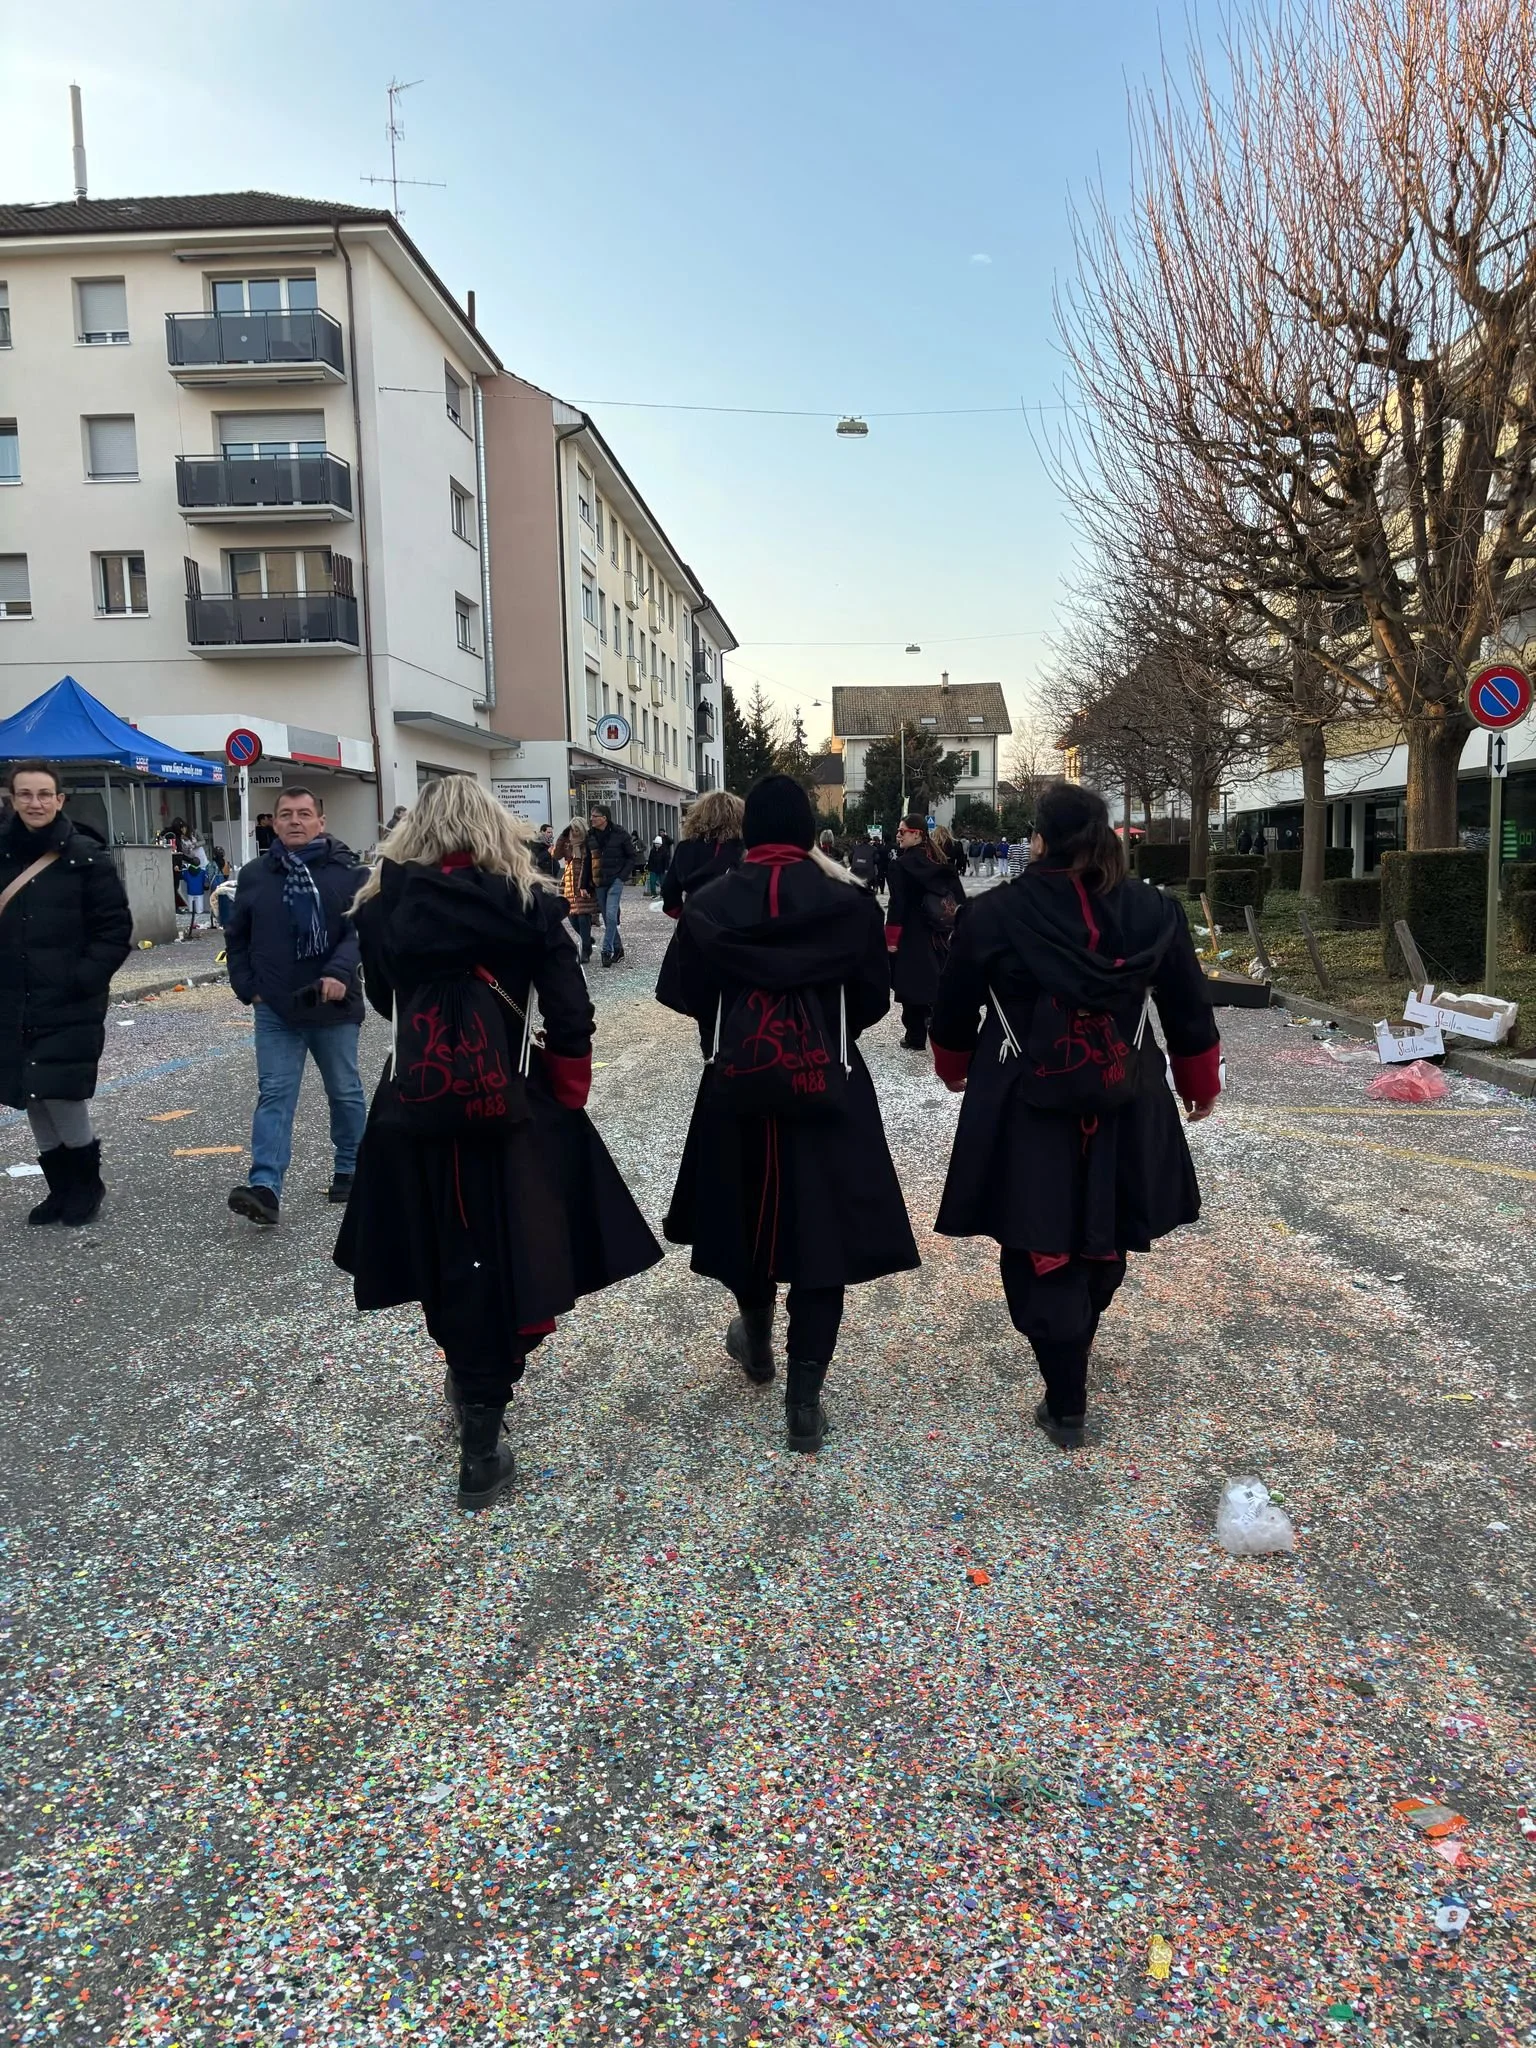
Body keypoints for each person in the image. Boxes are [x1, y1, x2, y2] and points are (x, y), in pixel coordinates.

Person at [335, 776, 661, 1508]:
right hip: (509, 1098)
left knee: (440, 1244)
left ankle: (467, 1374)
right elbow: (569, 1008)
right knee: (521, 1244)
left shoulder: (384, 904)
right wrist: (567, 1087)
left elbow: (386, 1001)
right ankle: (485, 1419)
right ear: (494, 827)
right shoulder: (528, 901)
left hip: (414, 1103)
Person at [929, 782, 1221, 1450]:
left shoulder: (996, 914)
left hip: (1025, 1095)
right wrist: (1198, 1079)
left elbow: (954, 1007)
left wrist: (954, 1067)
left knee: (1037, 1239)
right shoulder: (1154, 909)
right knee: (1107, 1224)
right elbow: (1187, 1003)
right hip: (1125, 1086)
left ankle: (1066, 1393)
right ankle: (1073, 1354)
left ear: (1039, 838)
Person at [659, 775, 917, 1451]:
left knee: (742, 1215)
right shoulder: (850, 903)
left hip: (734, 1082)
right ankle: (804, 1402)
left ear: (751, 833)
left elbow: (682, 991)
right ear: (808, 831)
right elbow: (870, 1002)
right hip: (825, 1083)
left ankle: (757, 1339)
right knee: (821, 1238)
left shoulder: (710, 902)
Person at [224, 788, 370, 1226]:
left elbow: (359, 931)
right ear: (274, 822)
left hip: (333, 1003)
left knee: (344, 1091)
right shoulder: (253, 876)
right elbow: (237, 936)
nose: (294, 821)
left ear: (320, 822)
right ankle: (265, 1186)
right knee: (275, 1094)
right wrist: (248, 988)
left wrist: (339, 973)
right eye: (285, 814)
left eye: (304, 814)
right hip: (276, 1008)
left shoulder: (350, 874)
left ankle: (351, 1169)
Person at [0, 760, 133, 1226]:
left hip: (68, 998)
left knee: (61, 1091)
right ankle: (59, 1189)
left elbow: (115, 930)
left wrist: (83, 979)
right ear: (11, 798)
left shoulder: (85, 857)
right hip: (13, 998)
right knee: (30, 1091)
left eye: (43, 795)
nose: (34, 803)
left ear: (60, 800)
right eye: (25, 794)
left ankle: (86, 1186)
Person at [885, 814, 966, 1050]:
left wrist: (891, 939)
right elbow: (959, 898)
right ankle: (937, 1024)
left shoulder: (900, 866)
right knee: (936, 979)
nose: (898, 835)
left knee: (910, 983)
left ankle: (915, 1035)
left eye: (902, 831)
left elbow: (896, 905)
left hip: (912, 932)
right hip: (940, 933)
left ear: (917, 834)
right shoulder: (940, 864)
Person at [661, 791, 745, 919]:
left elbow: (669, 889)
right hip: (734, 918)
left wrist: (681, 914)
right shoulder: (742, 847)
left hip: (696, 916)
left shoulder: (687, 847)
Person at [581, 804, 639, 967]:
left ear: (604, 818)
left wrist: (622, 877)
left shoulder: (620, 834)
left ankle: (606, 951)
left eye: (595, 816)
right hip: (599, 882)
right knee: (608, 918)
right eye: (591, 815)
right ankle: (618, 948)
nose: (591, 818)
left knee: (611, 915)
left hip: (615, 880)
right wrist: (584, 884)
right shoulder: (590, 836)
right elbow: (587, 861)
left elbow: (631, 856)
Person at [554, 821, 595, 961]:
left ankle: (585, 950)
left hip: (583, 884)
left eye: (577, 829)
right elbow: (556, 855)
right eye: (572, 829)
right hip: (569, 885)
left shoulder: (587, 843)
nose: (574, 832)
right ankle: (587, 940)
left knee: (583, 918)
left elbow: (590, 863)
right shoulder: (568, 844)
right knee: (572, 918)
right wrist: (563, 835)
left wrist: (587, 884)